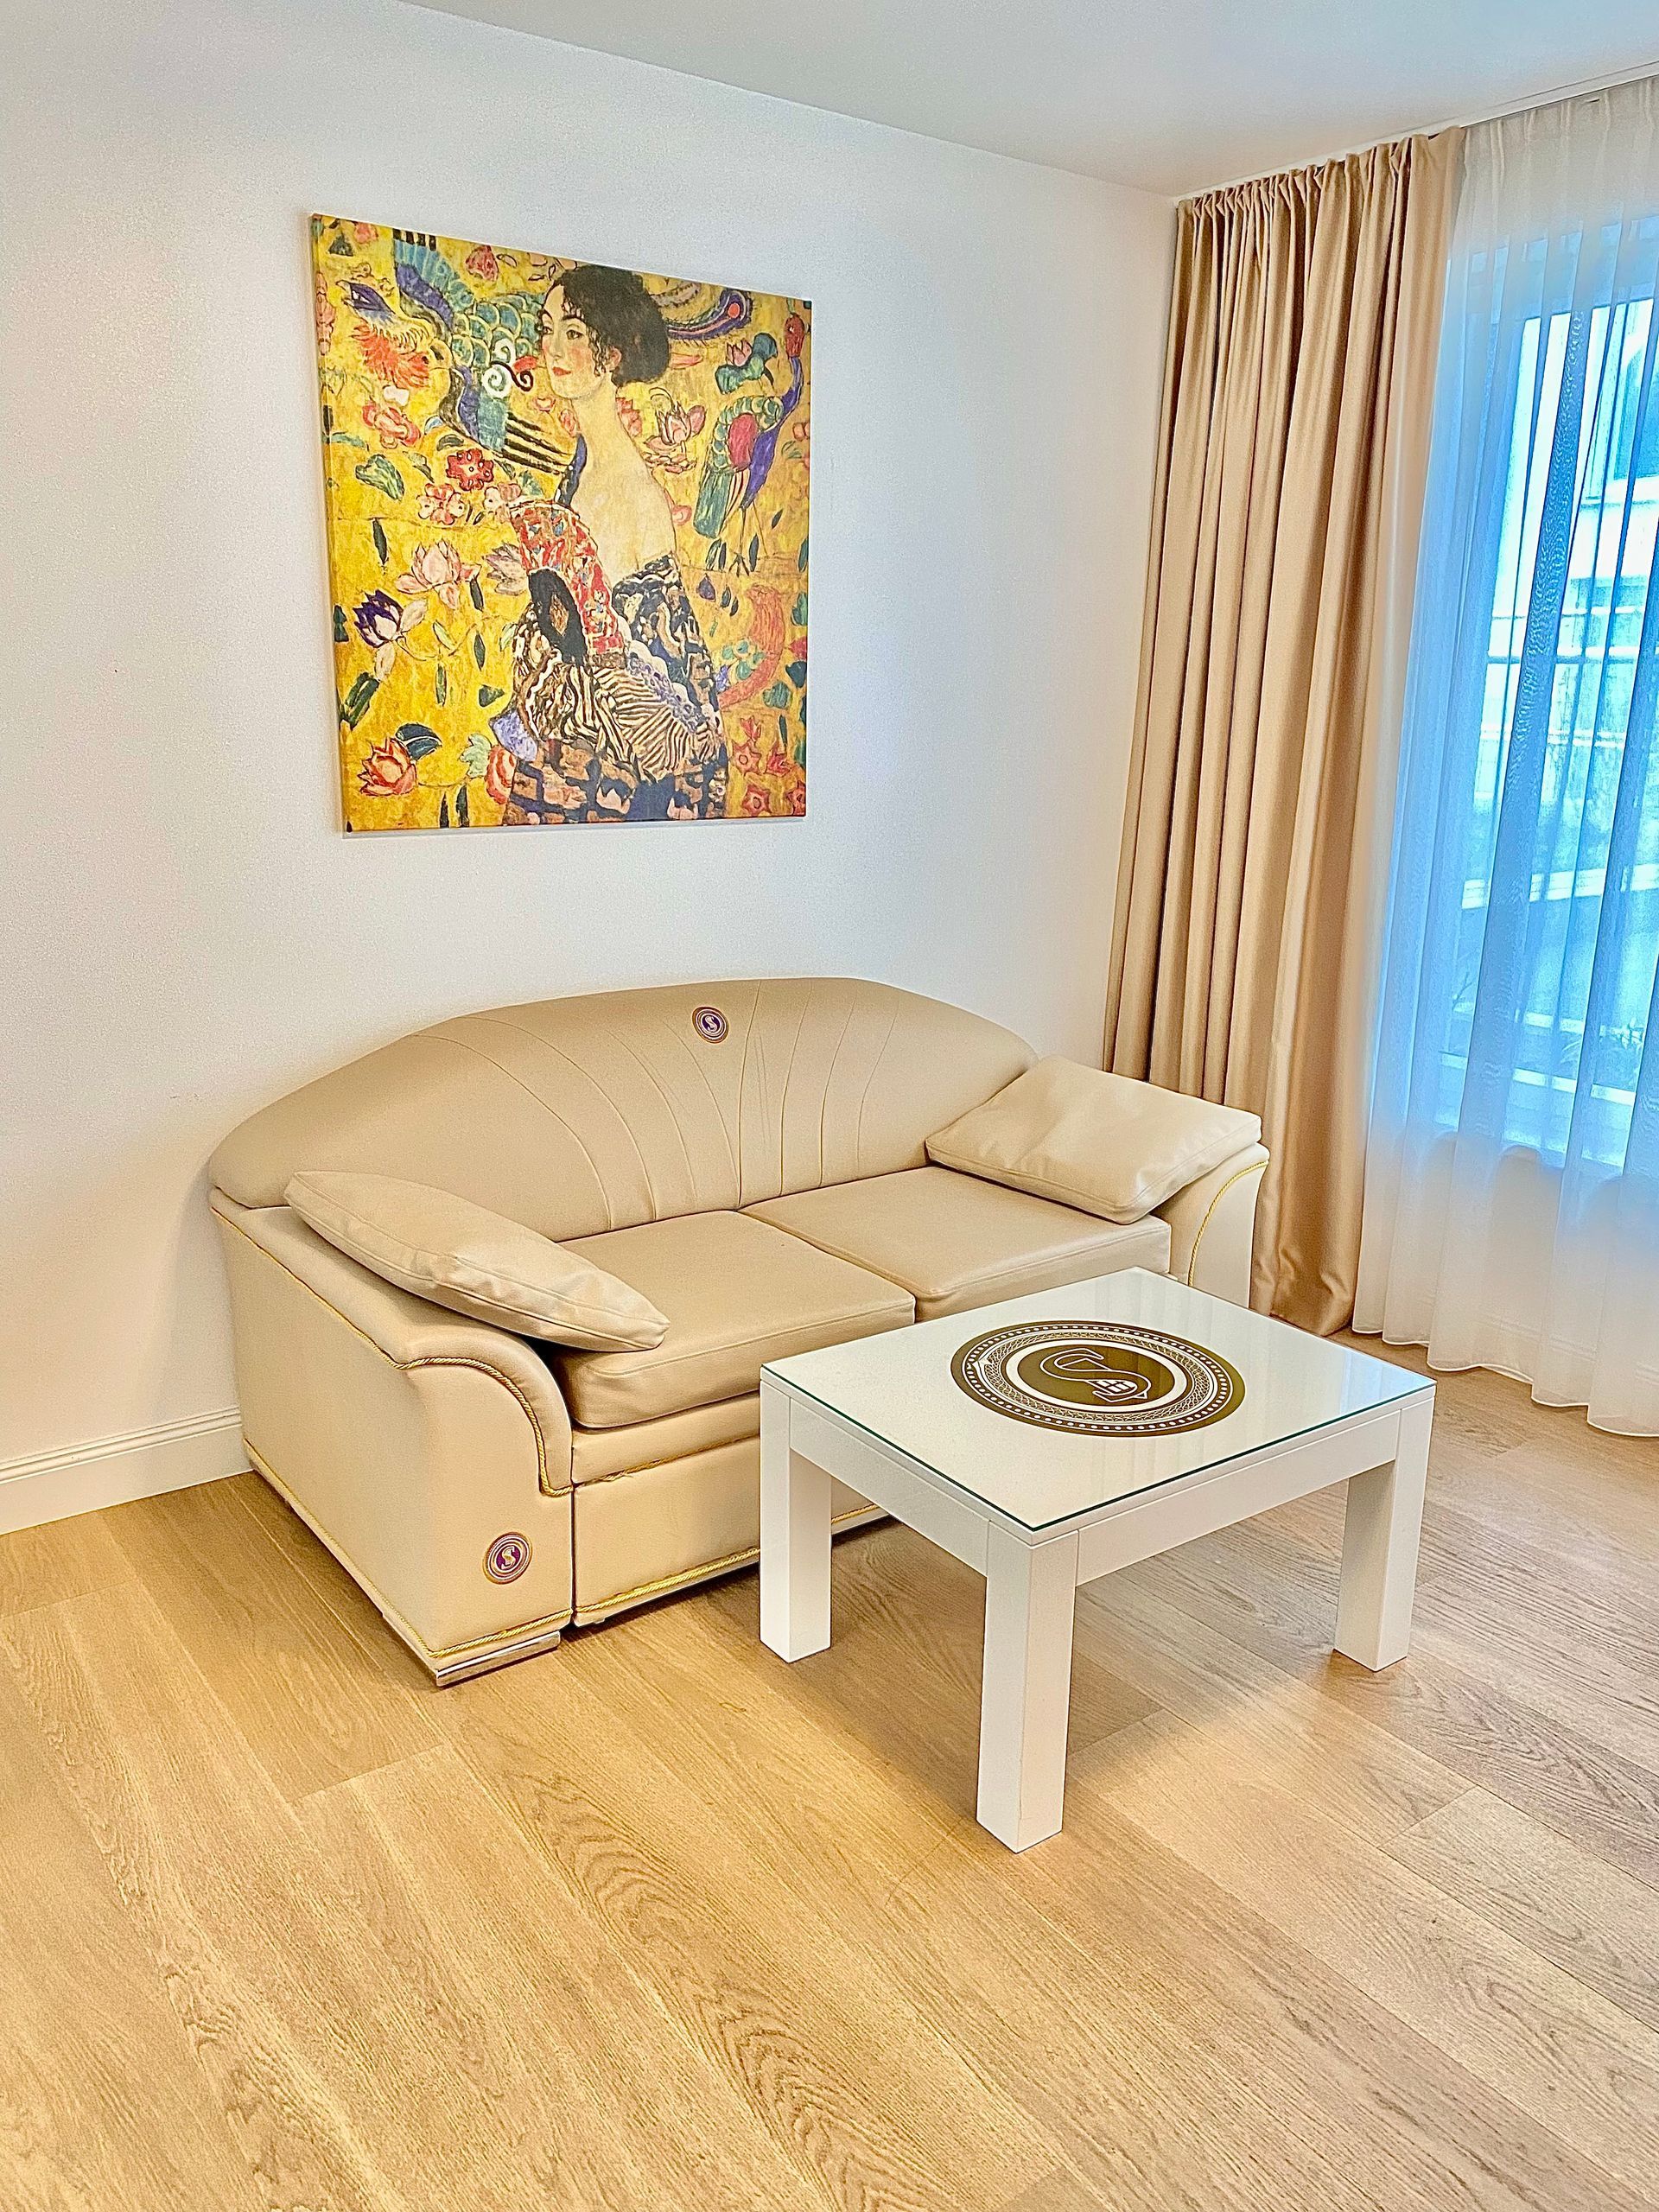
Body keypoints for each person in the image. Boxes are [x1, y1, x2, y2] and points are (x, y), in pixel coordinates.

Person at [500, 265, 727, 823]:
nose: (553, 347)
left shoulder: (632, 491)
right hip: (566, 740)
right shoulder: (581, 469)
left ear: (614, 355)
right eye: (547, 328)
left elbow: (658, 668)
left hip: (614, 770)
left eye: (574, 332)